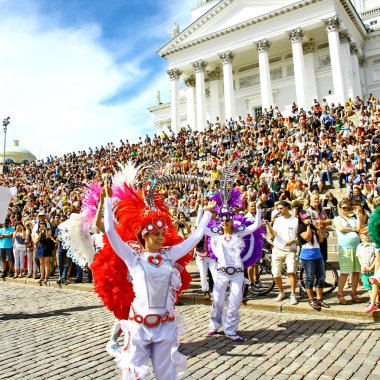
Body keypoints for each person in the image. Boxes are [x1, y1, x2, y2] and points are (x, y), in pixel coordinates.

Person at [97, 178, 215, 380]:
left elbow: (194, 238)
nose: (160, 238)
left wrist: (207, 214)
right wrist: (107, 201)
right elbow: (109, 231)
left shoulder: (170, 255)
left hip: (165, 325)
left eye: (162, 233)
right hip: (139, 327)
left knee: (166, 374)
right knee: (134, 374)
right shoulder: (132, 258)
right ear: (144, 236)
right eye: (155, 234)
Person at [205, 193, 263, 342]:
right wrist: (204, 211)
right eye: (222, 220)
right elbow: (201, 229)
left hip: (237, 273)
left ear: (232, 220)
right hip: (221, 273)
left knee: (234, 303)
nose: (224, 222)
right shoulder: (216, 233)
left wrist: (258, 209)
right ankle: (214, 325)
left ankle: (230, 330)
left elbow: (256, 225)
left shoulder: (240, 232)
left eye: (228, 220)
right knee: (217, 301)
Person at [265, 201, 298, 305]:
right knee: (275, 273)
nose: (279, 210)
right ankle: (281, 292)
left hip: (290, 250)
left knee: (291, 271)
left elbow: (299, 235)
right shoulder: (277, 220)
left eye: (281, 208)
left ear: (287, 208)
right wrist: (269, 225)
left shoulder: (295, 220)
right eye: (278, 208)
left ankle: (293, 294)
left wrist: (293, 240)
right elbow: (274, 233)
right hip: (277, 248)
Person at [297, 210, 330, 311]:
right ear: (302, 219)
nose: (308, 220)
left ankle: (319, 299)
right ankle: (311, 299)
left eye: (309, 217)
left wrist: (319, 229)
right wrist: (308, 226)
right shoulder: (301, 228)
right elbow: (307, 238)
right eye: (305, 218)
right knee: (310, 278)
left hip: (317, 254)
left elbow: (320, 240)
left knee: (321, 277)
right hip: (307, 256)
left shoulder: (313, 226)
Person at [334, 200, 362, 304]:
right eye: (344, 208)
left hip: (356, 247)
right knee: (345, 272)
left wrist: (358, 216)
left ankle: (354, 293)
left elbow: (358, 229)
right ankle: (340, 294)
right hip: (345, 248)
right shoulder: (337, 218)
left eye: (347, 207)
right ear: (340, 208)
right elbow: (341, 229)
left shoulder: (353, 218)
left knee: (356, 271)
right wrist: (353, 229)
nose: (346, 210)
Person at [356, 227, 379, 312]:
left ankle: (377, 301)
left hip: (373, 270)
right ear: (361, 236)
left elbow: (376, 257)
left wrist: (371, 267)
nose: (367, 236)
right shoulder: (359, 246)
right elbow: (359, 257)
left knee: (375, 285)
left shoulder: (374, 245)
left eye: (368, 234)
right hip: (365, 270)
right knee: (368, 286)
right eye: (365, 234)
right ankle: (371, 300)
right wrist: (362, 266)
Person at [33, 219, 55, 283]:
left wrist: (45, 230)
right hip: (40, 247)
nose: (42, 224)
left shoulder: (49, 230)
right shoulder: (37, 231)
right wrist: (40, 232)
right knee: (41, 263)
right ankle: (42, 277)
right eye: (41, 223)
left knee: (46, 262)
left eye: (43, 223)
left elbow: (47, 237)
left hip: (47, 247)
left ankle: (46, 277)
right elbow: (37, 240)